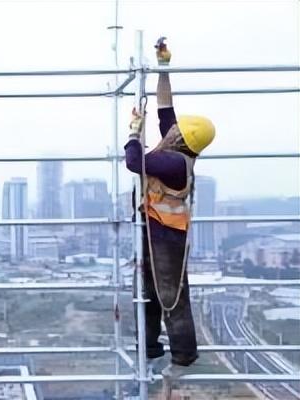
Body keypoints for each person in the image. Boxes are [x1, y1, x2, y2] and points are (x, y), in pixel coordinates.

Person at [125, 38, 215, 375]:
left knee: (171, 295)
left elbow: (135, 163)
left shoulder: (173, 162)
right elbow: (166, 108)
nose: (172, 127)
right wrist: (163, 68)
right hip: (156, 229)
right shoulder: (178, 150)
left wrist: (134, 132)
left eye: (176, 129)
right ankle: (149, 347)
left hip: (165, 236)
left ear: (181, 137)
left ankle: (184, 356)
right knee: (147, 291)